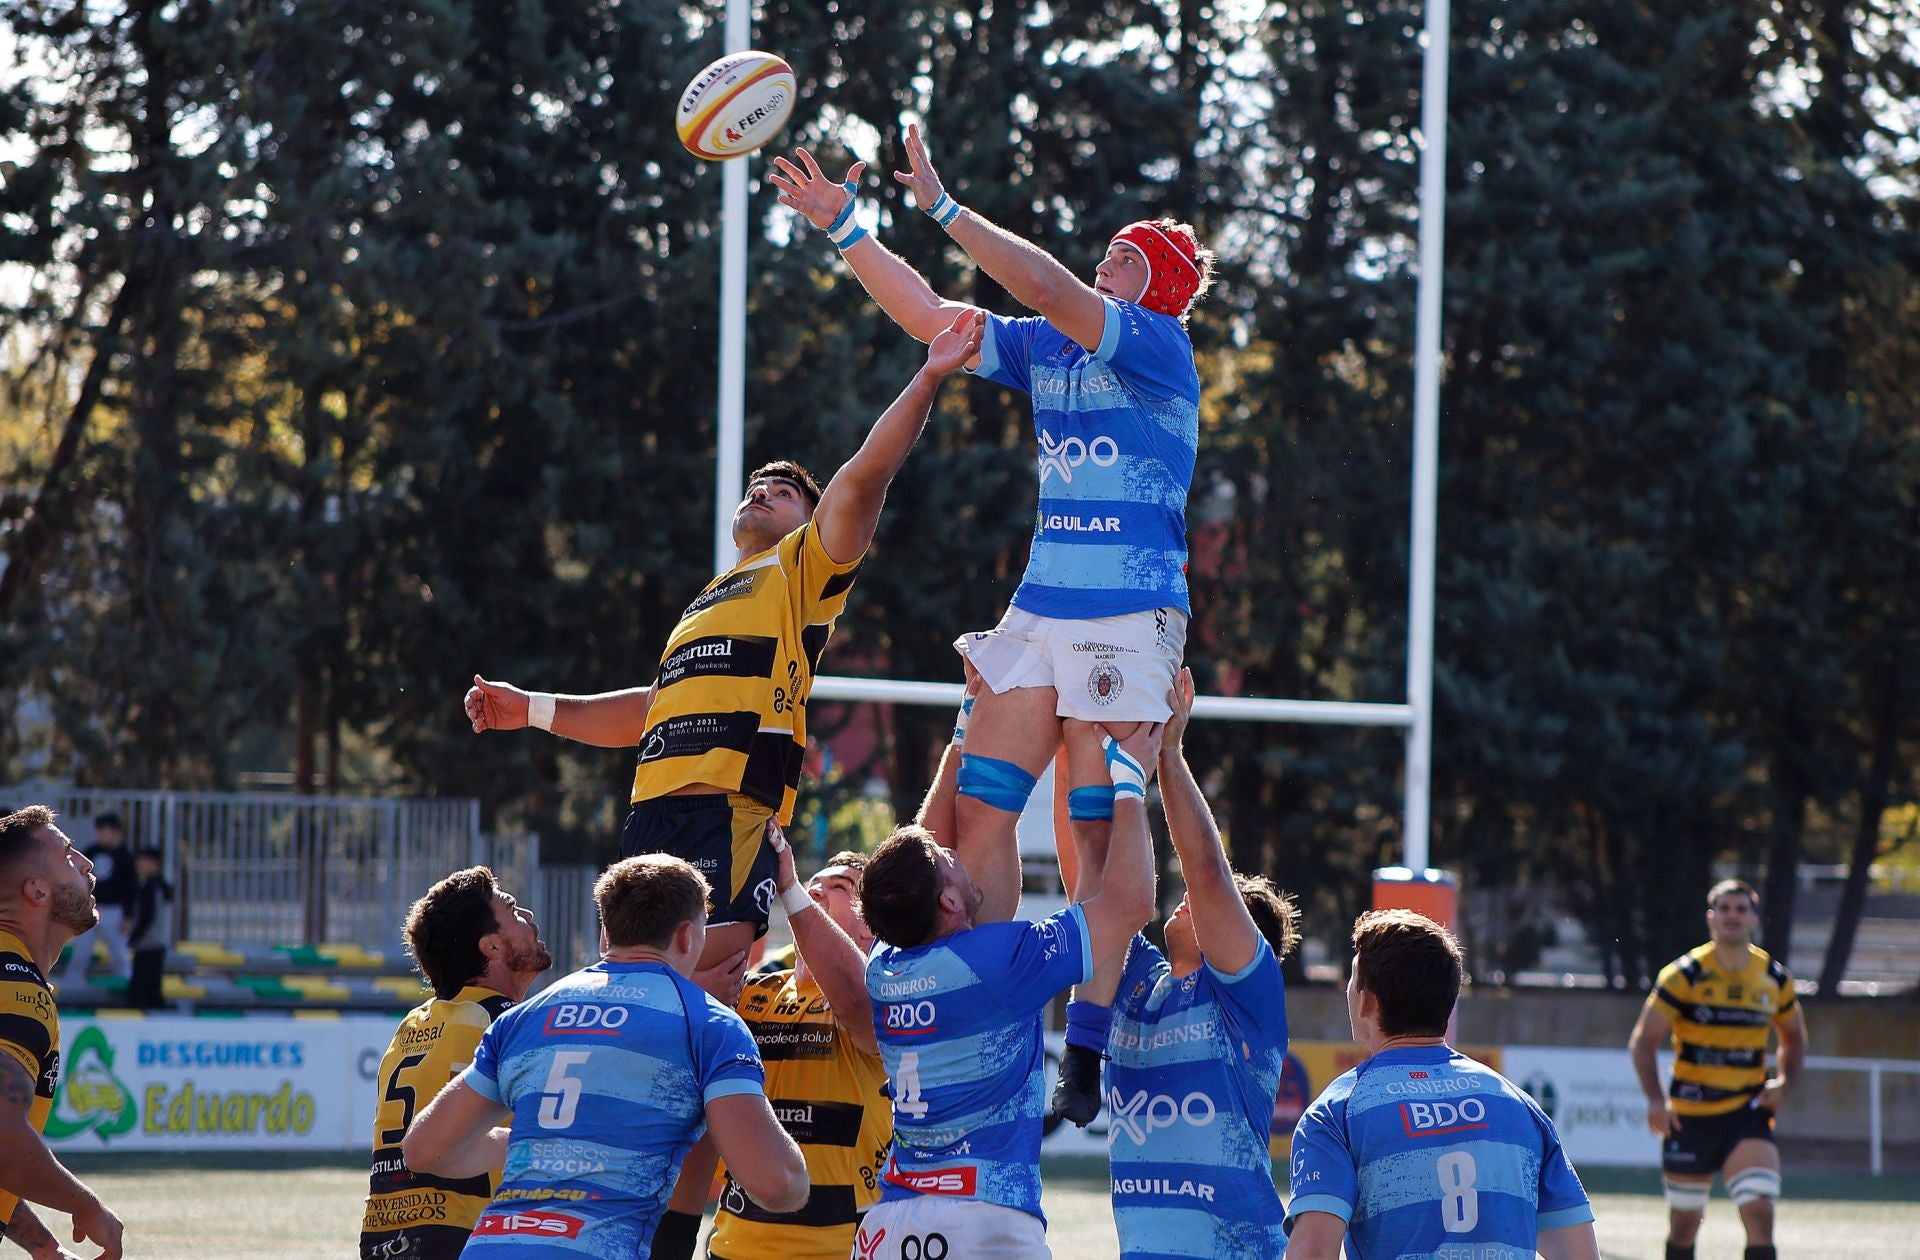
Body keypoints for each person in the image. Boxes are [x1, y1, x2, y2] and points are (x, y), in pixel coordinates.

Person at [771, 129, 1217, 1122]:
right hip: (1043, 609)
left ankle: (1086, 1049)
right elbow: (934, 318)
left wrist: (943, 204)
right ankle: (989, 1019)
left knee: (1095, 839)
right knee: (982, 811)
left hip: (1127, 615)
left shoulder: (1157, 343)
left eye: (1126, 256)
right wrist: (842, 223)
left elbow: (1055, 288)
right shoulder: (1053, 346)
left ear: (1162, 285)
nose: (1106, 257)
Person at [464, 313, 985, 974]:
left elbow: (862, 481)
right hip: (651, 812)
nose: (763, 490)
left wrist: (928, 377)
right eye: (755, 486)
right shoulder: (707, 600)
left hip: (728, 809)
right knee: (635, 980)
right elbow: (652, 709)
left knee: (702, 976)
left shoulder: (800, 572)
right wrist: (531, 709)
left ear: (813, 522)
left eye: (786, 491)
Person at [852, 719, 1161, 1258]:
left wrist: (965, 728)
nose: (959, 857)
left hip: (890, 1220)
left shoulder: (883, 966)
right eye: (953, 866)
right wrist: (1132, 781)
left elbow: (923, 845)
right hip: (982, 1219)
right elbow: (1130, 902)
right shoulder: (995, 962)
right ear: (947, 903)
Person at [401, 854, 808, 1255]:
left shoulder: (525, 1017)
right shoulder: (709, 1024)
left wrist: (546, 1145)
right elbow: (774, 1184)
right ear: (687, 936)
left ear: (606, 935)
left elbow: (423, 1150)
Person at [1105, 670, 1299, 1259]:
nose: (1186, 896)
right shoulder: (1140, 983)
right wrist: (1089, 740)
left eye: (1213, 908)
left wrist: (1168, 752)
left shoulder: (1248, 998)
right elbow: (1088, 873)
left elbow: (1208, 872)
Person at [1285, 910, 1598, 1260]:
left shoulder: (1338, 1112)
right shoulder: (1519, 1107)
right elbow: (1582, 1255)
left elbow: (1312, 1252)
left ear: (1366, 1001)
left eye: (1352, 979)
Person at [654, 832, 890, 1260]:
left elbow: (855, 1000)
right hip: (735, 1249)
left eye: (840, 887)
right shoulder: (747, 993)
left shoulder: (882, 993)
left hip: (845, 1251)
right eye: (814, 883)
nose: (816, 889)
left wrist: (791, 886)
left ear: (872, 924)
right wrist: (692, 990)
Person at [359, 867, 553, 1260]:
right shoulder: (501, 1019)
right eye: (513, 911)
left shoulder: (411, 1024)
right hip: (465, 1236)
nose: (529, 917)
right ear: (492, 948)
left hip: (385, 1237)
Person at [1628, 879, 1808, 1260]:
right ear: (1711, 918)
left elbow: (1794, 1037)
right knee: (1684, 1224)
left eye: (1741, 909)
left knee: (1760, 1211)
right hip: (1689, 1118)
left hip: (1747, 1113)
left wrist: (1785, 1082)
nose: (1733, 916)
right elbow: (1643, 1041)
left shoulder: (1774, 978)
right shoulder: (1684, 974)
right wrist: (1656, 1101)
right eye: (1724, 908)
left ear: (1754, 919)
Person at [0, 806, 125, 1260]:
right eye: (69, 854)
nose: (87, 863)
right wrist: (85, 1206)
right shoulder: (12, 983)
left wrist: (44, 1247)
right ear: (35, 890)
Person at [56, 815, 133, 991]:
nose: (103, 835)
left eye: (107, 831)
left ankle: (126, 979)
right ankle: (73, 984)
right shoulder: (90, 852)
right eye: (101, 831)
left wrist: (128, 915)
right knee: (82, 948)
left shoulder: (125, 857)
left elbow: (131, 889)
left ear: (116, 833)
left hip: (114, 909)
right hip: (90, 906)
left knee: (118, 948)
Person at [123, 848, 175, 1011]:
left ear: (154, 864)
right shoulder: (158, 886)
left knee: (142, 985)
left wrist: (135, 938)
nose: (138, 864)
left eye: (142, 861)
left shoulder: (151, 887)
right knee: (153, 984)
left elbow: (148, 916)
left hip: (148, 942)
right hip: (156, 942)